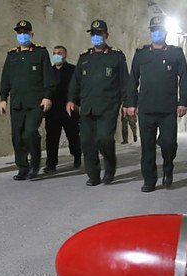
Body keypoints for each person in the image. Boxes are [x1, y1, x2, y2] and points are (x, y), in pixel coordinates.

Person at [125, 16, 187, 192]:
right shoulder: (141, 54)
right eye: (154, 30)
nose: (157, 33)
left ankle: (168, 168)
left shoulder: (176, 53)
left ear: (165, 32)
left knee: (168, 143)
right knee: (147, 146)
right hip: (146, 108)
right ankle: (149, 180)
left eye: (160, 30)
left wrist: (182, 101)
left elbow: (184, 78)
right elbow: (132, 80)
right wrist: (130, 103)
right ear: (150, 32)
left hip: (168, 108)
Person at [67, 20, 130, 186]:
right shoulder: (84, 58)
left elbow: (125, 82)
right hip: (87, 106)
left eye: (99, 34)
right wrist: (71, 100)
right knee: (87, 142)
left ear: (106, 35)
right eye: (93, 34)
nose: (96, 37)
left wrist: (127, 103)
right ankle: (93, 175)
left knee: (104, 139)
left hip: (108, 107)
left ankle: (110, 167)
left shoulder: (117, 56)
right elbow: (76, 81)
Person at [0, 20, 54, 180]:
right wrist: (3, 98)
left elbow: (48, 77)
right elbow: (5, 79)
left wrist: (47, 96)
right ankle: (23, 168)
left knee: (30, 132)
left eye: (25, 32)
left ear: (31, 34)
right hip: (17, 102)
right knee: (17, 136)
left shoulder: (40, 53)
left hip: (36, 102)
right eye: (19, 32)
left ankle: (35, 164)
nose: (22, 35)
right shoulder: (12, 55)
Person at [44, 45, 82, 173]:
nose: (56, 55)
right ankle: (51, 164)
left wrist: (77, 104)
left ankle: (77, 155)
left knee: (73, 136)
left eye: (59, 53)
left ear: (65, 55)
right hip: (53, 110)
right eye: (54, 53)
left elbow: (78, 88)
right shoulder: (48, 71)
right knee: (51, 138)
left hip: (69, 110)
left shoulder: (73, 70)